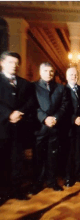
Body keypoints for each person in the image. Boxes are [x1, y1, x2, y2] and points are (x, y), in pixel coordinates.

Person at [0, 51, 36, 200]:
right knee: (2, 161)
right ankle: (2, 192)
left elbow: (31, 102)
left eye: (16, 63)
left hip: (19, 128)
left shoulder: (24, 83)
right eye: (10, 62)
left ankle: (16, 190)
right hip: (2, 127)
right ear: (1, 63)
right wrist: (9, 114)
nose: (14, 66)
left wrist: (20, 112)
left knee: (17, 161)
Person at [31, 62, 68, 193]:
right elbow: (33, 106)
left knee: (53, 157)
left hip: (55, 127)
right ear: (40, 72)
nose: (49, 74)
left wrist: (55, 118)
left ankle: (52, 182)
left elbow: (64, 105)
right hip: (40, 127)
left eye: (51, 71)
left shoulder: (60, 88)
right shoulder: (33, 87)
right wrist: (44, 118)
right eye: (46, 71)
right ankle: (37, 183)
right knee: (38, 156)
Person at [63, 67, 80, 187]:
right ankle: (68, 178)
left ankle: (79, 175)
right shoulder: (62, 90)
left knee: (79, 152)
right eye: (71, 75)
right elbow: (63, 109)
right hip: (68, 126)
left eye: (75, 75)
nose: (73, 76)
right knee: (68, 153)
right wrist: (74, 119)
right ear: (67, 77)